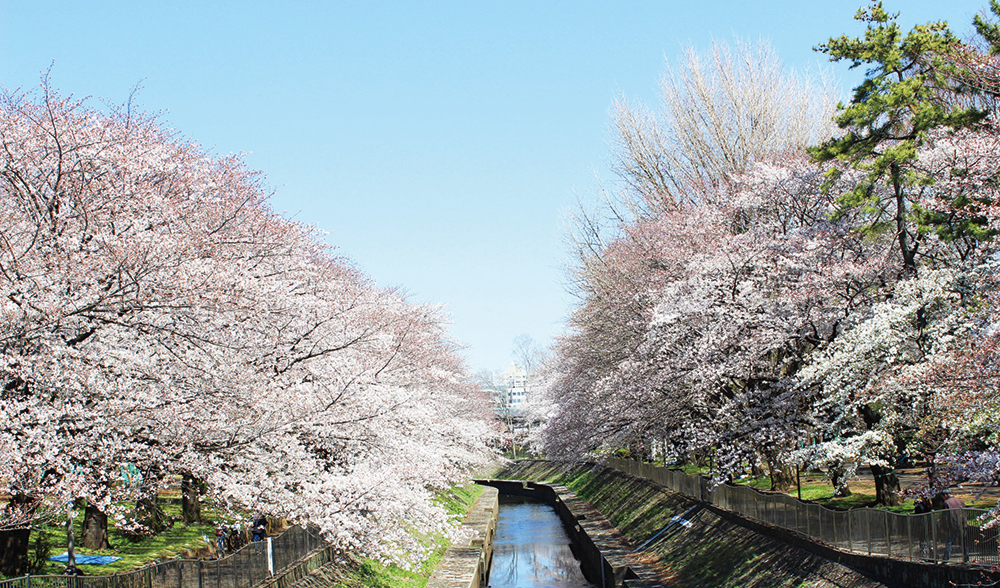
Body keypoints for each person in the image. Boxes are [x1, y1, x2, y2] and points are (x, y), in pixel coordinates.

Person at [940, 491, 967, 561]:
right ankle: (966, 557)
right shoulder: (960, 501)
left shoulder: (947, 503)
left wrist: (943, 526)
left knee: (949, 541)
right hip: (961, 523)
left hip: (952, 524)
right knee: (964, 541)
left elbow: (945, 516)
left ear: (945, 495)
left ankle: (946, 558)